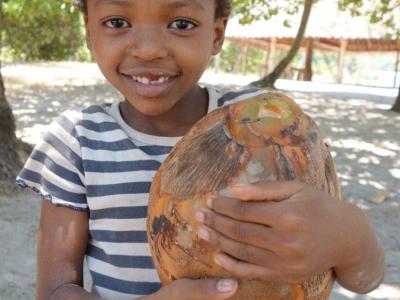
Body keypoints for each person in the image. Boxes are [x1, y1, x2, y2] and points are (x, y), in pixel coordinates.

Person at [16, 0, 385, 299]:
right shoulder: (75, 139)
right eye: (116, 21)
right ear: (88, 35)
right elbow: (55, 290)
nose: (148, 50)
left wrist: (352, 235)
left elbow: (362, 279)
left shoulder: (268, 123)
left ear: (217, 34)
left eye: (181, 24)